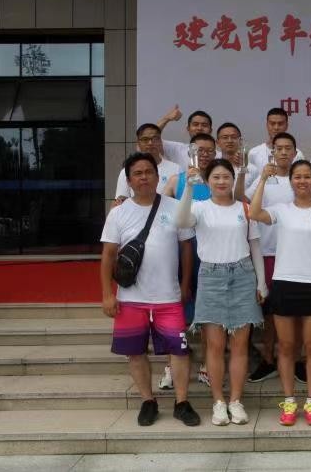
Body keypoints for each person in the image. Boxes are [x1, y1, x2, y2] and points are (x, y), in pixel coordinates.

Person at [99, 153, 201, 427]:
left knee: (179, 350)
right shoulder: (118, 213)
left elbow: (186, 248)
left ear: (158, 176)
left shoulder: (176, 206)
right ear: (129, 180)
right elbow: (108, 255)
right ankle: (148, 401)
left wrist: (185, 284)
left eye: (149, 172)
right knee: (135, 352)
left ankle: (182, 402)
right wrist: (107, 294)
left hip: (169, 297)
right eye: (138, 173)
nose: (144, 177)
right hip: (130, 298)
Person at [175, 158, 266, 426]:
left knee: (239, 345)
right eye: (216, 177)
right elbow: (181, 220)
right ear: (207, 181)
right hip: (211, 276)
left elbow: (255, 246)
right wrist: (188, 187)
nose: (222, 181)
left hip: (243, 275)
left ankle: (236, 401)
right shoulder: (199, 207)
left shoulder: (245, 208)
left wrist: (261, 282)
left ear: (233, 179)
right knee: (214, 346)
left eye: (226, 176)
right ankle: (218, 402)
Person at [250, 159, 311, 426]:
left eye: (307, 176)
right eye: (297, 177)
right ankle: (289, 401)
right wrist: (263, 179)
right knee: (286, 346)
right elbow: (254, 212)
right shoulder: (282, 210)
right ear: (290, 181)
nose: (302, 181)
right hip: (284, 283)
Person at [241, 133, 311, 385]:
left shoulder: (302, 179)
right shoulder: (264, 178)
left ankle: (299, 360)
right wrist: (260, 177)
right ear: (272, 152)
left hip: (298, 256)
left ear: (295, 152)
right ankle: (268, 359)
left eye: (288, 148)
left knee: (299, 312)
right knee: (271, 312)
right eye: (278, 148)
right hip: (267, 253)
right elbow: (245, 201)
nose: (283, 152)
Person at [160, 133, 217, 389]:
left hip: (211, 254)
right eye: (199, 150)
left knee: (207, 312)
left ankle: (206, 365)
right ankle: (172, 366)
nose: (204, 155)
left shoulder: (219, 180)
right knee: (177, 311)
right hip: (181, 252)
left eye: (208, 150)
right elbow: (160, 212)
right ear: (190, 153)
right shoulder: (177, 181)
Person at [114, 124, 179, 204]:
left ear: (161, 141)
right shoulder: (126, 171)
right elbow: (120, 200)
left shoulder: (176, 169)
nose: (150, 143)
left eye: (155, 139)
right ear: (138, 143)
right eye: (145, 139)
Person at [164, 134, 217, 200]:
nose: (205, 154)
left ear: (215, 154)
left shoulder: (220, 182)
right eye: (200, 150)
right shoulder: (175, 181)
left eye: (210, 151)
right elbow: (161, 205)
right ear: (190, 153)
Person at [215, 122, 259, 190]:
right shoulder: (211, 168)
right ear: (217, 142)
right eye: (225, 137)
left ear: (240, 141)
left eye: (233, 137)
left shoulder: (253, 170)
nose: (229, 141)